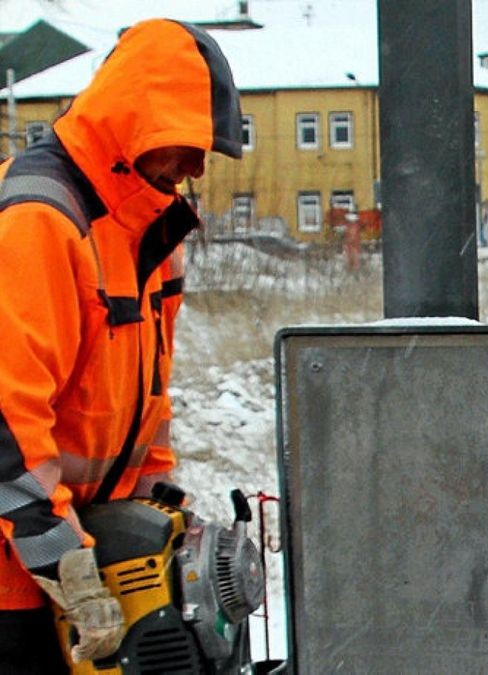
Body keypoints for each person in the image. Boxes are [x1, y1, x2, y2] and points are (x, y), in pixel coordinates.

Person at [0, 18, 242, 672]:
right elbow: (6, 423)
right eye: (189, 143)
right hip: (18, 577)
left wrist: (163, 513)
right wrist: (64, 565)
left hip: (83, 555)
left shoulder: (149, 231)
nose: (196, 166)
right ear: (137, 117)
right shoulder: (41, 218)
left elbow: (146, 407)